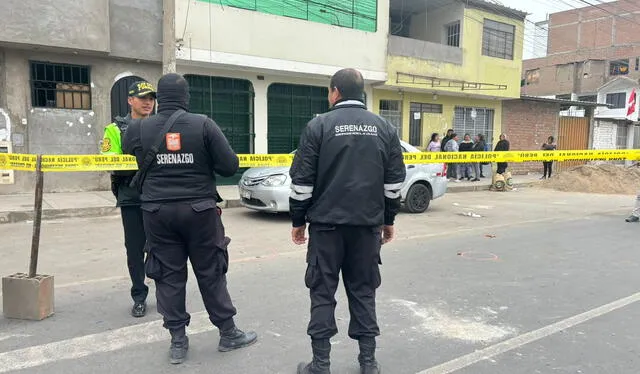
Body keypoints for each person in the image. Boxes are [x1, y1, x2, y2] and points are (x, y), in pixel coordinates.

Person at [122, 73, 257, 365]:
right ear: (186, 98)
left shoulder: (137, 128)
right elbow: (229, 165)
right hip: (199, 212)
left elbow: (127, 151)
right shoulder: (203, 124)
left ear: (159, 97)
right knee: (210, 270)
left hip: (157, 214)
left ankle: (178, 341)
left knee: (168, 275)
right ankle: (228, 333)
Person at [289, 68, 406, 374]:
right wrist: (388, 218)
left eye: (329, 91)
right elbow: (394, 184)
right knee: (363, 290)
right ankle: (368, 364)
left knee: (322, 291)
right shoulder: (385, 128)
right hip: (367, 228)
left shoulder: (318, 126)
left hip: (326, 229)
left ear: (336, 92)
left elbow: (302, 183)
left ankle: (321, 365)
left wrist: (297, 220)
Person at [100, 80, 156, 318]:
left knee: (160, 247)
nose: (148, 102)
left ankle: (166, 292)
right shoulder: (115, 129)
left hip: (158, 196)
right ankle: (139, 295)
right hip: (132, 197)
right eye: (142, 98)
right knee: (134, 250)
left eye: (151, 98)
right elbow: (109, 160)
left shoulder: (161, 126)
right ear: (130, 100)